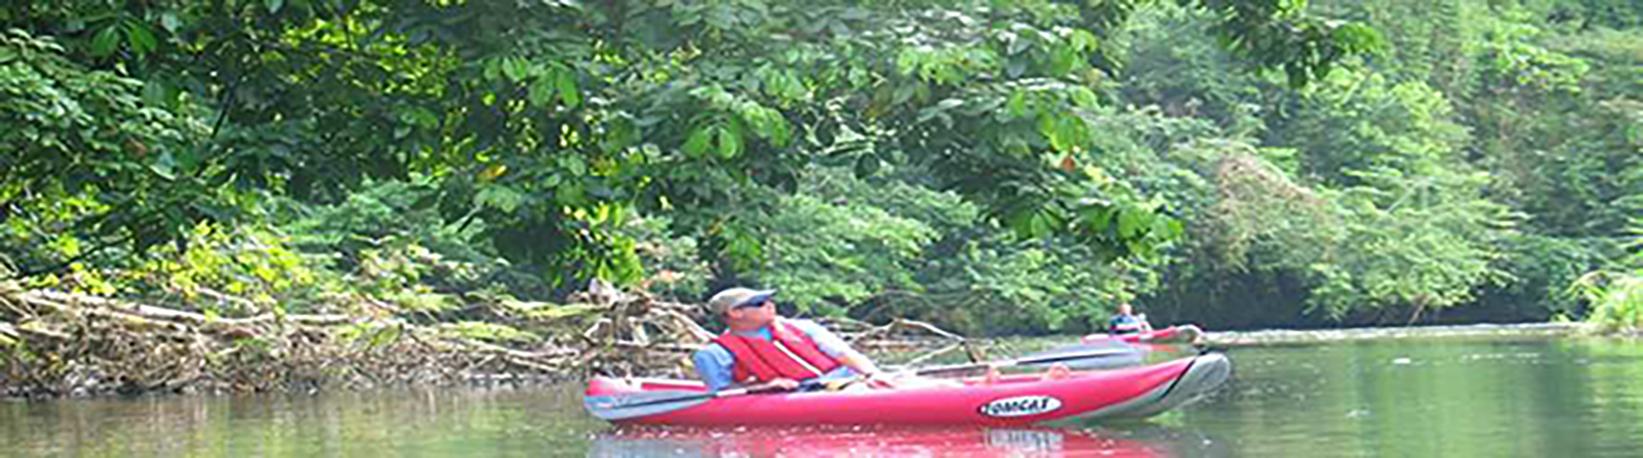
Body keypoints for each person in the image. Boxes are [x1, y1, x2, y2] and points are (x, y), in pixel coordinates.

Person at [691, 287, 895, 392]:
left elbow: (844, 354)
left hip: (847, 381)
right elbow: (720, 397)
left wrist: (872, 374)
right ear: (735, 313)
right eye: (760, 303)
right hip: (801, 394)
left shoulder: (803, 327)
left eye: (770, 301)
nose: (771, 305)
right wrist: (763, 388)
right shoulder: (713, 355)